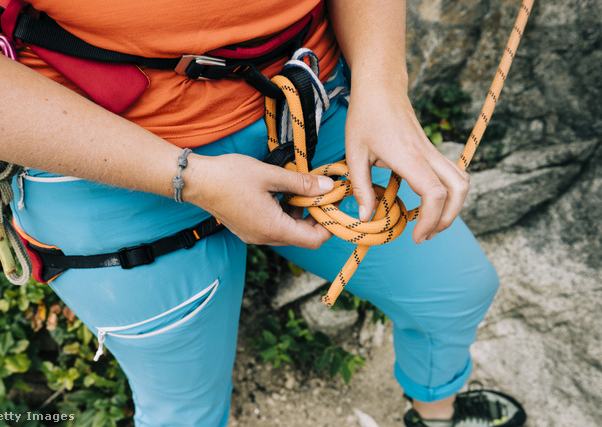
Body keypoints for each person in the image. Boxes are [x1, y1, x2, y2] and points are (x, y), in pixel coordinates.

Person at [0, 0, 527, 426]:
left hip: (310, 108)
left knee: (456, 290)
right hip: (102, 164)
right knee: (184, 413)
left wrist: (381, 83)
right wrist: (191, 178)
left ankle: (436, 413)